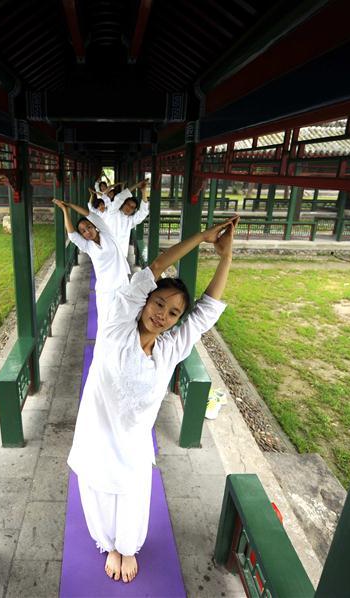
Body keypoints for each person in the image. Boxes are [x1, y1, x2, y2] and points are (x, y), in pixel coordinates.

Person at [67, 215, 240, 583]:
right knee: (97, 490)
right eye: (158, 303)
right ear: (145, 302)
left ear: (178, 321)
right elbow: (156, 266)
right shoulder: (117, 327)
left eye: (174, 312)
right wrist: (202, 236)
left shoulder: (169, 349)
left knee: (131, 494)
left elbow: (206, 312)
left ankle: (126, 546)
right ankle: (108, 544)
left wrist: (225, 258)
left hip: (132, 445)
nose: (163, 314)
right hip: (96, 435)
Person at [53, 198, 129, 326]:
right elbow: (72, 234)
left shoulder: (107, 233)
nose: (87, 232)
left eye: (89, 227)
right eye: (83, 231)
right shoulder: (87, 246)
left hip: (122, 285)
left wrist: (70, 204)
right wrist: (65, 210)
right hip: (105, 290)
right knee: (106, 322)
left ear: (95, 226)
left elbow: (90, 215)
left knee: (124, 319)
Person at [102, 179, 150, 262]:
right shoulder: (112, 212)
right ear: (123, 204)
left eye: (132, 207)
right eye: (128, 204)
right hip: (106, 253)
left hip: (121, 257)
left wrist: (144, 191)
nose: (129, 208)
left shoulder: (130, 221)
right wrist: (137, 185)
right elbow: (119, 198)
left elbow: (143, 213)